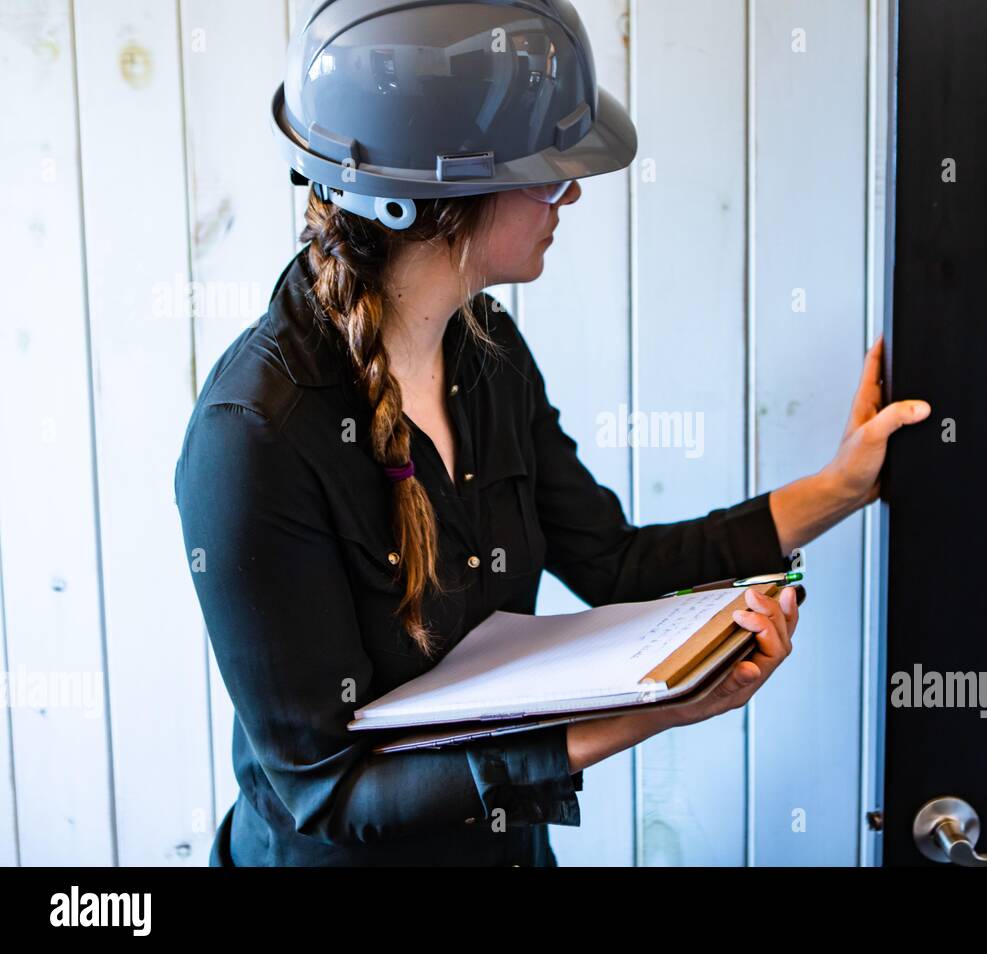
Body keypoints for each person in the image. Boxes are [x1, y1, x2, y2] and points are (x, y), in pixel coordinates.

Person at [174, 0, 930, 866]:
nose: (572, 191)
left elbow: (613, 563)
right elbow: (328, 790)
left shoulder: (488, 351)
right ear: (438, 195)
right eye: (545, 171)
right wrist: (656, 710)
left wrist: (841, 486)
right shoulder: (253, 437)